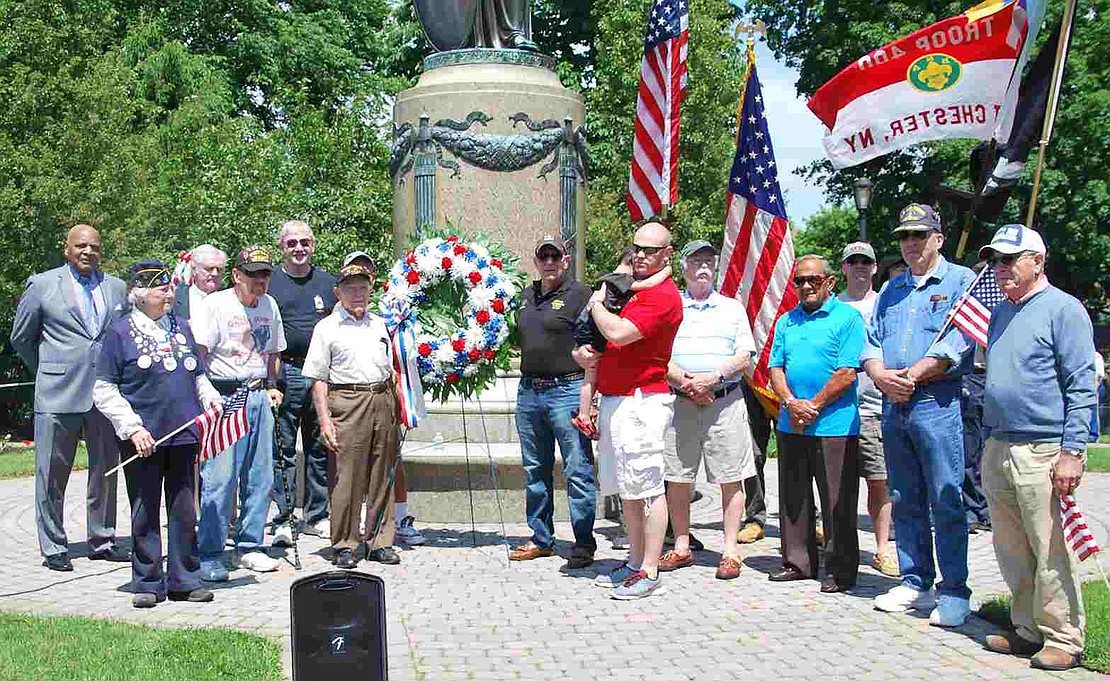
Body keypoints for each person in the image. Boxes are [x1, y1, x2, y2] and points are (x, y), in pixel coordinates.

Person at [977, 225, 1095, 671]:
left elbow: (1082, 385)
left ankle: (1064, 637)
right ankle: (1026, 628)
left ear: (1038, 262)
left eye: (1010, 260)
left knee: (1049, 548)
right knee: (1011, 546)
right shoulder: (1000, 312)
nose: (1001, 269)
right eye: (996, 260)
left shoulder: (1064, 310)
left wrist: (1072, 451)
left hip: (1043, 448)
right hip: (999, 444)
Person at [863, 204, 975, 626]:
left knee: (946, 497)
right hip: (894, 403)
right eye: (905, 237)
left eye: (919, 236)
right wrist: (879, 374)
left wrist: (911, 375)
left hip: (937, 401)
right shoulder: (891, 289)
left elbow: (961, 340)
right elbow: (872, 340)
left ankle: (954, 590)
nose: (911, 243)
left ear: (938, 239)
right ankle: (915, 581)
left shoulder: (963, 281)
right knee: (904, 497)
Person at [93, 260, 220, 607]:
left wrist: (210, 397)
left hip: (184, 434)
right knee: (145, 508)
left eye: (170, 287)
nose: (169, 292)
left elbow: (197, 374)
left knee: (183, 510)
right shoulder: (120, 333)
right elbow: (103, 388)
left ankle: (185, 580)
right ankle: (147, 582)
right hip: (143, 440)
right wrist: (133, 428)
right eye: (161, 288)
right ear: (139, 294)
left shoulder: (181, 327)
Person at [10, 224, 130, 571]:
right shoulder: (43, 285)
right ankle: (53, 545)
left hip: (104, 395)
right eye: (80, 246)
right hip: (57, 392)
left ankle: (103, 539)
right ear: (66, 249)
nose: (88, 251)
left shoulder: (116, 287)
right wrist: (49, 369)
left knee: (106, 470)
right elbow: (22, 338)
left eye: (94, 246)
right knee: (51, 472)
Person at [574, 221, 682, 600]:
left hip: (643, 402)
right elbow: (604, 342)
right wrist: (584, 352)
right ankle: (635, 562)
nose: (641, 254)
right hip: (618, 399)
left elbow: (619, 333)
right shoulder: (632, 290)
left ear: (668, 254)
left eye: (651, 250)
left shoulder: (664, 296)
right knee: (628, 490)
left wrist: (595, 304)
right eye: (637, 247)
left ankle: (650, 570)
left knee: (649, 489)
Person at [768, 255, 865, 593]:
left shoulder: (848, 318)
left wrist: (815, 405)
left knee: (837, 499)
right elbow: (775, 369)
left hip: (835, 425)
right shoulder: (786, 322)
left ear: (830, 282)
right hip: (791, 422)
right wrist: (792, 403)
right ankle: (798, 562)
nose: (806, 286)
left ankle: (840, 570)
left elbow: (847, 372)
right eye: (800, 281)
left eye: (814, 280)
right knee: (793, 497)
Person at [661, 240, 756, 580]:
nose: (703, 266)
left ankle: (730, 551)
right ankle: (682, 545)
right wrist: (687, 382)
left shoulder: (732, 308)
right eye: (696, 260)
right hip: (679, 402)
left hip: (725, 402)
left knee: (731, 477)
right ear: (683, 267)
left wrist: (712, 379)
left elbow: (746, 354)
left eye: (708, 261)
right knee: (678, 477)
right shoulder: (671, 306)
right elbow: (658, 355)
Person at [192, 245, 287, 581]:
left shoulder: (270, 304)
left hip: (259, 393)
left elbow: (274, 350)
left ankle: (249, 545)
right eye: (253, 274)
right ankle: (211, 552)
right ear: (236, 275)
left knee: (260, 475)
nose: (260, 281)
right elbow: (198, 355)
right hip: (224, 392)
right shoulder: (215, 304)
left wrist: (273, 383)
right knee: (220, 478)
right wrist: (205, 394)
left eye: (265, 274)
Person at [303, 259, 401, 568]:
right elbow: (318, 379)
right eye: (350, 288)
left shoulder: (379, 323)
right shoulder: (326, 328)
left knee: (382, 471)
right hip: (348, 401)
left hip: (382, 399)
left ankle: (379, 541)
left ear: (371, 290)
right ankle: (344, 543)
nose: (358, 293)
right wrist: (325, 421)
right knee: (347, 476)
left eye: (363, 288)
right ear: (338, 292)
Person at [509, 235, 598, 567]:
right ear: (536, 261)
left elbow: (594, 341)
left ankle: (584, 542)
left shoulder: (580, 295)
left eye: (554, 255)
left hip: (568, 390)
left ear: (565, 258)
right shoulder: (525, 296)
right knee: (535, 469)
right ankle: (541, 538)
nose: (549, 261)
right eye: (542, 256)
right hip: (529, 392)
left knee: (577, 469)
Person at [343, 250, 426, 546]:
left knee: (391, 463)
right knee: (351, 465)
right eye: (353, 273)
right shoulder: (338, 315)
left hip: (387, 394)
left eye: (366, 271)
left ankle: (398, 519)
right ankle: (352, 526)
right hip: (351, 400)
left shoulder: (394, 308)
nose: (359, 284)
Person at [267, 221, 337, 544]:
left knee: (318, 448)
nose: (299, 248)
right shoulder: (270, 284)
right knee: (282, 450)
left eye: (304, 242)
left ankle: (317, 515)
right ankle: (283, 518)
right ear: (282, 247)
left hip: (321, 375)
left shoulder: (328, 283)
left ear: (313, 245)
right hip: (287, 372)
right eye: (292, 243)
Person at [837, 241, 898, 577]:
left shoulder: (886, 305)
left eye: (866, 261)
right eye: (853, 261)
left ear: (875, 267)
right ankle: (840, 546)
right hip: (839, 408)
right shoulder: (833, 307)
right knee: (838, 484)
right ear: (843, 267)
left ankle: (882, 548)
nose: (860, 267)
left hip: (876, 407)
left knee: (879, 481)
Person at [571, 246, 671, 439]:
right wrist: (667, 270)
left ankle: (585, 412)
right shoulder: (619, 278)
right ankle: (583, 414)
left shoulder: (613, 279)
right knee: (591, 373)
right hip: (592, 327)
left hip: (589, 325)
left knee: (590, 374)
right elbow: (647, 285)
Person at [738, 383, 773, 544]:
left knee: (796, 454)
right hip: (752, 381)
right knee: (753, 456)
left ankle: (808, 519)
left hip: (789, 382)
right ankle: (754, 519)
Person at [173, 244, 227, 321]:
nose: (215, 273)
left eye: (219, 269)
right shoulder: (175, 297)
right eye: (209, 268)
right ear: (194, 270)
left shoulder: (229, 300)